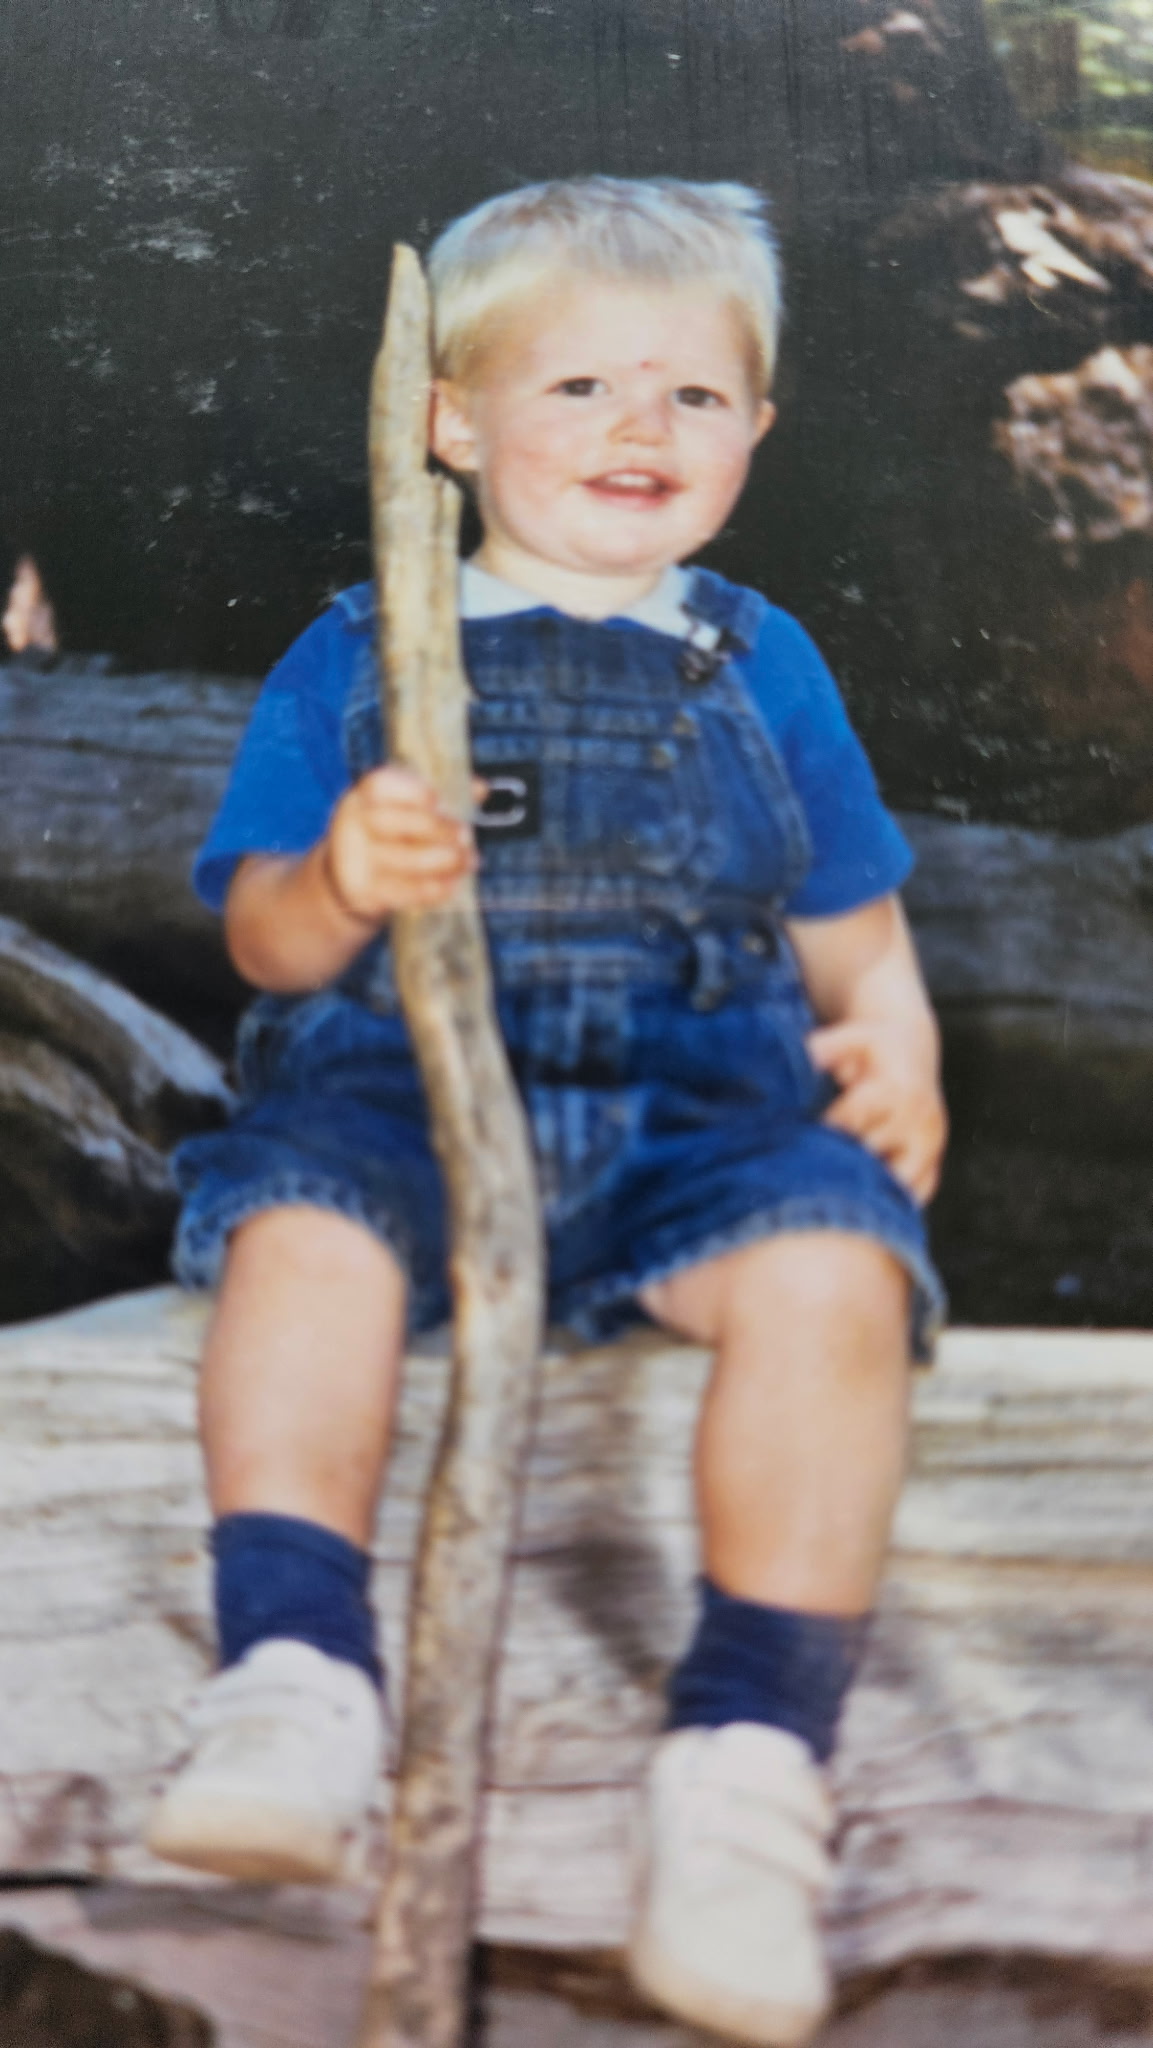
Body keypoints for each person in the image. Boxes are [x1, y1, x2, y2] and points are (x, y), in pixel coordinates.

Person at [148, 176, 947, 2048]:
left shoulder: (759, 658)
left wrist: (892, 1042)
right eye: (578, 387)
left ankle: (747, 1776)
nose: (638, 429)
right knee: (296, 1241)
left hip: (696, 1116)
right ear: (449, 419)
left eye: (690, 394)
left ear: (756, 427)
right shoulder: (360, 647)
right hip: (405, 1101)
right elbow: (266, 939)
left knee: (836, 1277)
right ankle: (294, 1676)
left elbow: (845, 904)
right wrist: (342, 877)